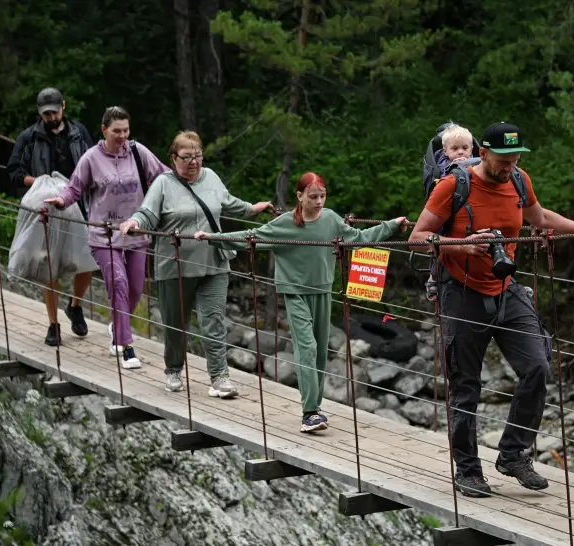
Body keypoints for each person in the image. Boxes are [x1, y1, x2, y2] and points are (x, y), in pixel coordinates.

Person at [409, 122, 574, 498]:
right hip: (462, 292)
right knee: (466, 385)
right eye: (503, 159)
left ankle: (513, 453)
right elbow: (418, 237)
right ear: (483, 152)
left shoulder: (520, 180)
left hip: (507, 290)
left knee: (537, 366)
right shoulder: (453, 186)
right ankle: (468, 471)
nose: (509, 166)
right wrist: (461, 245)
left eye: (515, 159)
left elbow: (540, 219)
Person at [195, 172, 408, 432]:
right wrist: (214, 238)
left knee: (319, 354)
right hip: (295, 292)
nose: (319, 201)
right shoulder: (285, 224)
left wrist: (392, 225)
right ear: (300, 197)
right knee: (306, 347)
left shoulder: (331, 219)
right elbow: (252, 236)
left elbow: (359, 238)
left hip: (322, 292)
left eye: (322, 196)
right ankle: (309, 413)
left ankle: (315, 409)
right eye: (313, 197)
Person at [118, 131, 273, 398]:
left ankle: (219, 377)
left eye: (198, 156)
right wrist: (134, 223)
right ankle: (174, 369)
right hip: (174, 267)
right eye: (187, 157)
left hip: (213, 263)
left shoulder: (211, 177)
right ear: (173, 158)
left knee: (213, 321)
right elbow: (147, 213)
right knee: (176, 324)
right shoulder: (163, 184)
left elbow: (227, 203)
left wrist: (252, 209)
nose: (194, 162)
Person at [45, 106, 169, 369]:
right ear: (104, 130)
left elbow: (163, 176)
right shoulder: (91, 158)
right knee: (119, 283)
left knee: (136, 289)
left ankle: (117, 324)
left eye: (126, 130)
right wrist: (60, 200)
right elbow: (74, 188)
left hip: (137, 230)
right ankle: (126, 346)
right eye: (117, 131)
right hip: (104, 233)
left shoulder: (138, 151)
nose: (122, 135)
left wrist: (189, 181)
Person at [6, 87, 95, 346]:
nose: (51, 117)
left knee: (88, 258)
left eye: (54, 112)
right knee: (49, 264)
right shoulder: (29, 137)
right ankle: (53, 324)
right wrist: (39, 182)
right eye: (46, 114)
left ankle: (75, 306)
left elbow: (94, 162)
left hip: (79, 203)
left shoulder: (79, 133)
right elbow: (13, 170)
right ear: (39, 114)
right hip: (46, 207)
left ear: (63, 107)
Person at [425, 124, 475, 302]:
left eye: (465, 148)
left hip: (470, 214)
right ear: (445, 150)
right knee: (438, 242)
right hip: (446, 214)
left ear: (471, 149)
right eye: (455, 149)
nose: (460, 153)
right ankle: (434, 276)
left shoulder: (478, 164)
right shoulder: (443, 166)